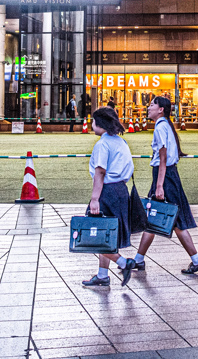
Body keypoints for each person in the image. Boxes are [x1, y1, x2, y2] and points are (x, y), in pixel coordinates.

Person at [131, 96, 198, 275]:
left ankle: (197, 260)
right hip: (169, 175)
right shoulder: (166, 126)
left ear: (161, 109)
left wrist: (159, 186)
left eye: (151, 105)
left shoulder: (160, 128)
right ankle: (139, 259)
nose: (148, 108)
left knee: (170, 219)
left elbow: (162, 158)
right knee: (155, 217)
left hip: (164, 176)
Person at [82, 106, 138, 288]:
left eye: (93, 121)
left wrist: (94, 199)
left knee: (95, 234)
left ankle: (123, 263)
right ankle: (102, 275)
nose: (91, 124)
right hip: (121, 190)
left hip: (107, 191)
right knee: (106, 233)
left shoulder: (102, 144)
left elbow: (100, 172)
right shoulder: (121, 142)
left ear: (100, 123)